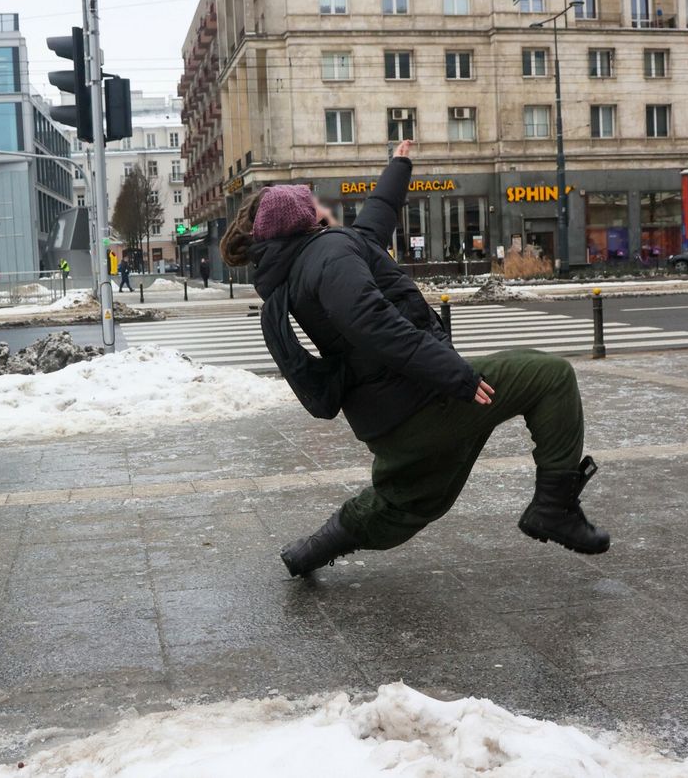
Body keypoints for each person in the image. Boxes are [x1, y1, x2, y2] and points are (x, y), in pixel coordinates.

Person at [220, 140, 609, 578]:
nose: (323, 208)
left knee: (406, 504)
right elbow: (372, 322)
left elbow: (375, 221)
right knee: (550, 377)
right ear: (304, 220)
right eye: (314, 204)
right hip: (419, 400)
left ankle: (310, 550)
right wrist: (453, 375)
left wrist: (399, 165)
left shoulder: (311, 260)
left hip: (388, 417)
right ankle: (553, 508)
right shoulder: (329, 255)